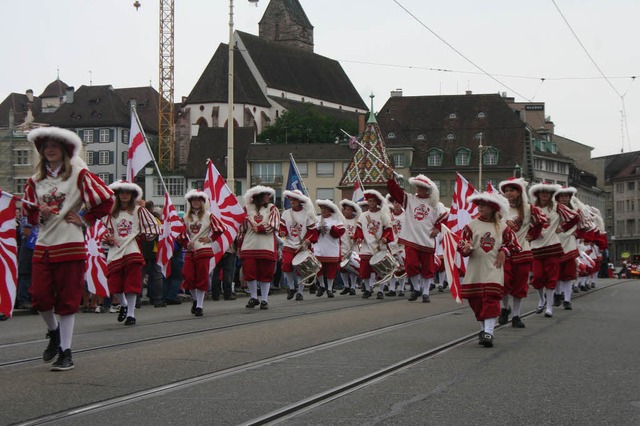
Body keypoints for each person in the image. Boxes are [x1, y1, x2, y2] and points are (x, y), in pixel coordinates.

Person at [22, 127, 114, 371]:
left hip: (70, 243)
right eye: (45, 146)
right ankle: (53, 332)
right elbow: (29, 213)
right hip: (44, 244)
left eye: (54, 145)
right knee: (39, 297)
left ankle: (66, 350)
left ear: (65, 149)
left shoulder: (79, 174)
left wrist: (84, 219)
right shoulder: (35, 180)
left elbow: (106, 198)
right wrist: (38, 214)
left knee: (67, 299)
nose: (49, 150)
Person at [458, 192, 520, 348]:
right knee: (476, 300)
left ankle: (489, 332)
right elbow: (462, 243)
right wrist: (465, 249)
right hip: (476, 269)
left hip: (493, 268)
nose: (479, 207)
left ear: (492, 208)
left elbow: (515, 246)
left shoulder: (503, 227)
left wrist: (503, 251)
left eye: (483, 205)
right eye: (478, 205)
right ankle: (484, 329)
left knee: (490, 299)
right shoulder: (471, 226)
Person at [386, 170, 448, 303]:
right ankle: (416, 288)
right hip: (411, 238)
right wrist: (391, 180)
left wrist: (437, 228)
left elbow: (444, 218)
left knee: (427, 268)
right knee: (411, 265)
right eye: (418, 187)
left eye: (422, 188)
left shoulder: (435, 204)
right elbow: (395, 192)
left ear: (428, 190)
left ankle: (425, 292)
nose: (419, 190)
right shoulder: (409, 199)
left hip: (427, 240)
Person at [103, 181, 160, 326]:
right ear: (117, 194)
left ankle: (131, 314)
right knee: (114, 283)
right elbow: (103, 230)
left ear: (132, 195)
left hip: (132, 249)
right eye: (121, 192)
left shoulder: (139, 210)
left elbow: (153, 227)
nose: (124, 195)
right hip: (115, 250)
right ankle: (123, 304)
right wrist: (107, 238)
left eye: (127, 192)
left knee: (132, 282)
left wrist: (141, 235)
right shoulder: (111, 213)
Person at [498, 177, 547, 327]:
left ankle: (517, 316)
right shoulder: (500, 208)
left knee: (520, 285)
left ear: (519, 192)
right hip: (504, 251)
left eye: (511, 190)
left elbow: (540, 222)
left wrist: (532, 235)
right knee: (504, 283)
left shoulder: (528, 209)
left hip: (522, 251)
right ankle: (505, 308)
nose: (508, 193)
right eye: (506, 190)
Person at [528, 183, 579, 318]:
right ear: (538, 194)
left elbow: (575, 218)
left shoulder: (557, 207)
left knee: (552, 277)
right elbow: (525, 224)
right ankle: (542, 299)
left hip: (552, 247)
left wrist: (562, 228)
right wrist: (531, 234)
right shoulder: (532, 208)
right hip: (536, 248)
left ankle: (549, 307)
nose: (544, 195)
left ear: (551, 195)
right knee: (538, 277)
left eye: (547, 192)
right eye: (542, 192)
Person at [179, 190, 225, 317]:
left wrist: (210, 239)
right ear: (190, 202)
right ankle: (195, 299)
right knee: (187, 276)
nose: (196, 202)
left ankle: (199, 305)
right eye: (193, 200)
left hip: (203, 249)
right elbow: (180, 234)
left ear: (203, 202)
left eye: (199, 200)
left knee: (201, 277)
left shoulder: (209, 215)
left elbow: (220, 229)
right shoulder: (185, 218)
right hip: (190, 250)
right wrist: (185, 244)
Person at [238, 185, 280, 310]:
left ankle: (265, 299)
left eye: (268, 195)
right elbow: (241, 229)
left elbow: (274, 224)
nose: (268, 197)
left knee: (265, 273)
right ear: (258, 196)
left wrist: (261, 228)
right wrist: (239, 245)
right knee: (250, 273)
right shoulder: (246, 209)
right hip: (249, 246)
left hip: (266, 246)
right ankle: (254, 297)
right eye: (265, 195)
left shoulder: (272, 208)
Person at [353, 189, 394, 299]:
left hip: (379, 245)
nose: (371, 203)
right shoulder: (363, 216)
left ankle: (380, 290)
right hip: (367, 246)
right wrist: (359, 238)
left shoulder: (383, 214)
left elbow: (388, 229)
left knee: (381, 269)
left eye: (373, 201)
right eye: (369, 201)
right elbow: (359, 230)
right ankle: (367, 289)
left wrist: (385, 239)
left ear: (377, 202)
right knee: (364, 269)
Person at [279, 190, 318, 301]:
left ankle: (300, 292)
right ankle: (291, 287)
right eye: (290, 200)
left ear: (299, 201)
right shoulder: (286, 213)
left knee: (302, 269)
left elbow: (312, 231)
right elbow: (282, 228)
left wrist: (308, 240)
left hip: (302, 245)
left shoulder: (307, 213)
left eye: (294, 200)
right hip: (289, 244)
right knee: (286, 264)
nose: (292, 202)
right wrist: (282, 232)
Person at [314, 199, 345, 298]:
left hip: (331, 248)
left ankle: (330, 289)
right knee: (318, 268)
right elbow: (312, 234)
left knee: (331, 270)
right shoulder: (317, 219)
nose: (323, 210)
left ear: (330, 210)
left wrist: (332, 228)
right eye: (322, 208)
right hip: (319, 247)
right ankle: (322, 285)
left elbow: (339, 233)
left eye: (325, 208)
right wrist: (317, 229)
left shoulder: (336, 220)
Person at [141, 200, 165, 308]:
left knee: (140, 275)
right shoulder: (156, 220)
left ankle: (136, 299)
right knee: (156, 275)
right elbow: (161, 233)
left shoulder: (139, 220)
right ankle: (157, 299)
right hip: (154, 250)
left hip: (141, 250)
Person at [339, 199, 362, 296]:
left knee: (352, 266)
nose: (347, 211)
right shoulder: (340, 220)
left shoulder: (356, 221)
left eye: (349, 209)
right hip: (343, 246)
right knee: (342, 267)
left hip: (354, 246)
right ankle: (346, 286)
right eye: (345, 209)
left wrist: (357, 238)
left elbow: (360, 233)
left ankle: (353, 286)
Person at [386, 194, 407, 297]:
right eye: (395, 202)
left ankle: (402, 289)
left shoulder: (406, 215)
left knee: (403, 268)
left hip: (403, 245)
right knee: (392, 267)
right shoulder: (389, 216)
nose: (397, 204)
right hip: (391, 245)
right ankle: (392, 288)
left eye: (398, 202)